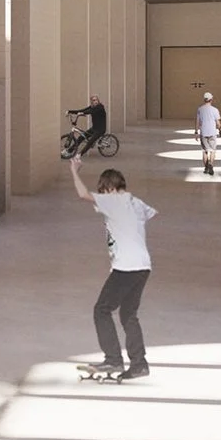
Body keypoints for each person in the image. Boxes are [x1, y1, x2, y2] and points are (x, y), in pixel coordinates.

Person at [67, 160, 155, 380]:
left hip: (126, 267)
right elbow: (151, 213)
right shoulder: (135, 202)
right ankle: (139, 364)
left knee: (102, 310)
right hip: (143, 266)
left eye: (104, 191)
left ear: (111, 188)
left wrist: (73, 171)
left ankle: (113, 360)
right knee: (128, 314)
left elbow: (82, 194)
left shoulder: (114, 201)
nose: (102, 196)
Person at [62, 94, 107, 159]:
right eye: (93, 100)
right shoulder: (92, 107)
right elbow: (81, 110)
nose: (95, 101)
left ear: (98, 100)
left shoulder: (100, 107)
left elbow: (90, 111)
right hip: (94, 128)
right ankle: (69, 151)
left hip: (100, 129)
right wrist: (69, 111)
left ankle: (80, 154)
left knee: (90, 142)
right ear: (91, 101)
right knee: (81, 137)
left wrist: (83, 113)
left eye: (96, 100)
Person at [194, 90, 221, 173]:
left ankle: (206, 168)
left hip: (203, 132)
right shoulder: (215, 110)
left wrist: (196, 132)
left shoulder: (200, 109)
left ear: (204, 100)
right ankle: (211, 164)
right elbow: (218, 123)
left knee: (204, 151)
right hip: (212, 132)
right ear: (211, 99)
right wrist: (220, 130)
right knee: (213, 150)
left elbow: (198, 122)